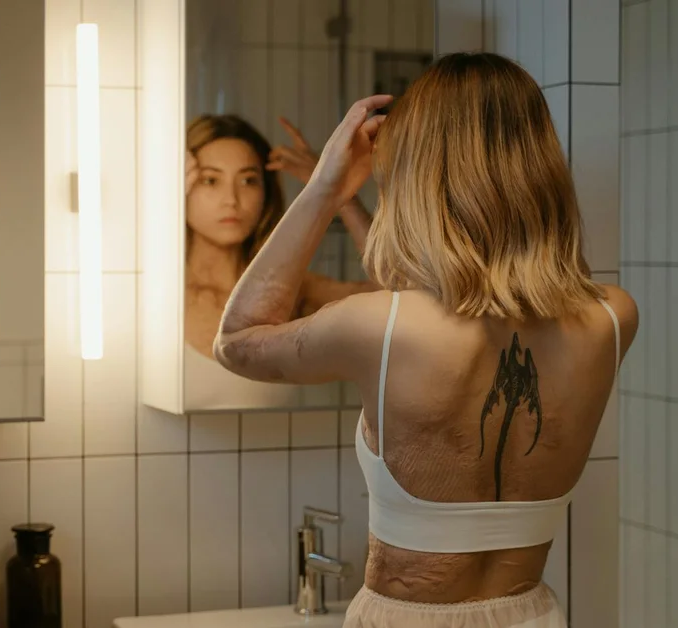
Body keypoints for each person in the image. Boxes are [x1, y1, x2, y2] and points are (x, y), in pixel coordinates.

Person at [214, 52, 638, 627]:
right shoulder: (612, 317)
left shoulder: (382, 327)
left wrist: (324, 189)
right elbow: (444, 292)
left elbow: (238, 338)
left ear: (418, 171)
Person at [182, 114, 375, 409]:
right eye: (210, 180)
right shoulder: (155, 295)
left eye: (248, 180)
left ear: (266, 192)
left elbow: (400, 296)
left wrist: (339, 192)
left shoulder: (295, 290)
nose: (231, 199)